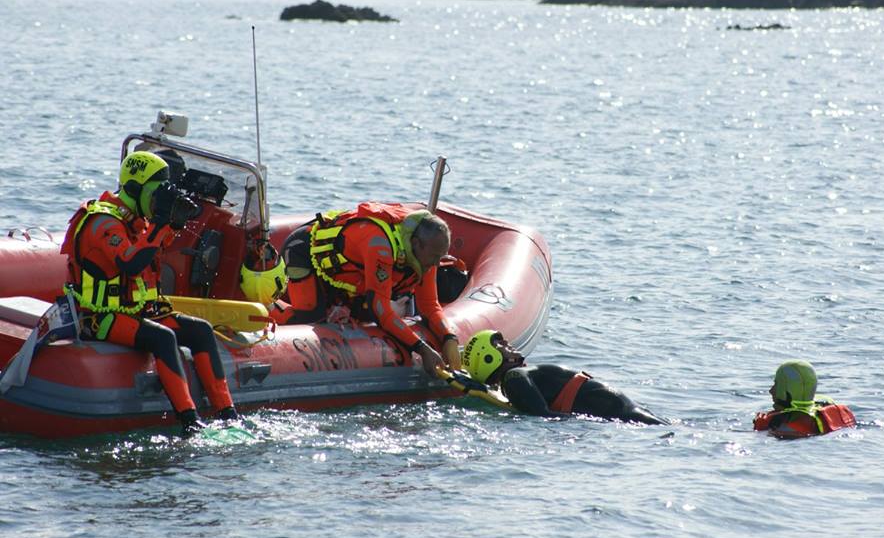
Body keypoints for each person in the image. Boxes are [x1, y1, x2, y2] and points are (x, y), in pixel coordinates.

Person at [61, 150, 238, 436]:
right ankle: (190, 422)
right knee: (163, 337)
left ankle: (228, 414)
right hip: (101, 317)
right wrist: (159, 222)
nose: (158, 201)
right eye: (156, 194)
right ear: (134, 188)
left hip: (138, 311)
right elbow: (131, 263)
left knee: (201, 331)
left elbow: (154, 250)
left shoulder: (137, 219)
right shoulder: (102, 223)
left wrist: (171, 222)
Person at [277, 202, 461, 377]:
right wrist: (421, 348)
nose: (438, 263)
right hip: (302, 251)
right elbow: (379, 310)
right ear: (416, 243)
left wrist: (449, 338)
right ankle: (270, 307)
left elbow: (429, 305)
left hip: (345, 274)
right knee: (310, 315)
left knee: (361, 313)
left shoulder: (427, 255)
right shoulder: (380, 245)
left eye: (441, 256)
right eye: (435, 256)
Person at [460, 330, 667, 424]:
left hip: (615, 410)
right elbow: (543, 416)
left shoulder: (516, 379)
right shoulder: (514, 377)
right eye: (501, 346)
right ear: (487, 358)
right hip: (617, 409)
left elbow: (540, 414)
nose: (509, 345)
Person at [753, 360, 856, 439]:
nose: (771, 391)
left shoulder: (786, 429)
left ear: (787, 390)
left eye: (776, 385)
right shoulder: (827, 407)